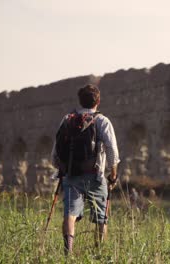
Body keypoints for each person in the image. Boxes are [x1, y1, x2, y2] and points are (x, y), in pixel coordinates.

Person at [51, 84, 120, 255]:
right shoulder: (102, 120)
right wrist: (113, 175)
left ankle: (68, 253)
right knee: (101, 218)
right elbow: (111, 149)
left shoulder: (67, 119)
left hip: (71, 175)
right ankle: (99, 254)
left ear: (80, 101)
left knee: (70, 215)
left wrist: (62, 169)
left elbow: (55, 152)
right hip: (95, 176)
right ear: (98, 101)